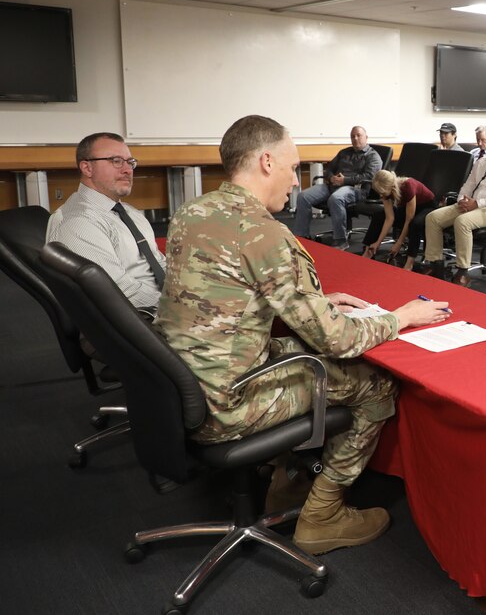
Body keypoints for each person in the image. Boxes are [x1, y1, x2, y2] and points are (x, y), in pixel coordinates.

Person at [155, 114, 451, 556]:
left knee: (299, 350)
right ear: (267, 162)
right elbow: (337, 341)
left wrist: (318, 301)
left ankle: (288, 479)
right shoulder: (265, 233)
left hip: (184, 384)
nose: (296, 181)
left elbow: (226, 290)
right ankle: (323, 513)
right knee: (374, 381)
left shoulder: (192, 212)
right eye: (293, 168)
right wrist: (403, 317)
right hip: (229, 404)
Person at [46, 132, 167, 313]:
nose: (127, 170)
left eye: (130, 162)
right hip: (135, 322)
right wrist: (180, 308)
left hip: (161, 311)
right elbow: (118, 290)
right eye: (116, 161)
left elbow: (159, 263)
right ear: (87, 168)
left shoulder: (131, 214)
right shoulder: (78, 221)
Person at [421, 122, 486, 287]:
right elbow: (468, 185)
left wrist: (477, 204)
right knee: (433, 217)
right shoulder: (482, 162)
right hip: (471, 205)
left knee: (462, 222)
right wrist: (462, 200)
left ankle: (463, 271)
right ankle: (435, 264)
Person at [291, 126, 381, 249]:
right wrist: (331, 177)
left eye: (358, 135)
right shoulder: (344, 152)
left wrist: (345, 180)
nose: (355, 138)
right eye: (352, 136)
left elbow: (370, 176)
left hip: (356, 189)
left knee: (336, 198)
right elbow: (329, 169)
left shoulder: (373, 156)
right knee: (303, 196)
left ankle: (340, 240)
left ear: (366, 137)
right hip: (333, 185)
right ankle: (301, 236)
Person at [361, 170, 435, 271]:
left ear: (391, 187)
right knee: (379, 215)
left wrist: (399, 243)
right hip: (408, 208)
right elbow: (389, 218)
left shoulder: (408, 186)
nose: (381, 196)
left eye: (382, 193)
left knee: (415, 224)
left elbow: (409, 219)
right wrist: (378, 242)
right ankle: (369, 249)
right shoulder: (385, 192)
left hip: (426, 207)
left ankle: (410, 262)